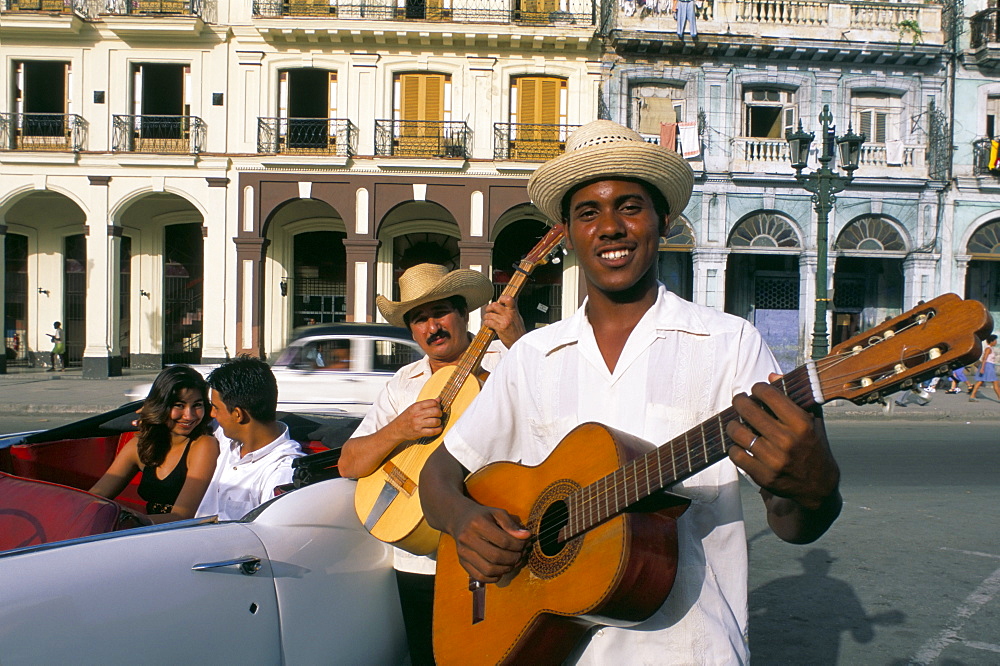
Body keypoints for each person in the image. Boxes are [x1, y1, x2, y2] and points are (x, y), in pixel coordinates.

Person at [420, 120, 842, 663]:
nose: (610, 227)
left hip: (690, 649)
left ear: (663, 222)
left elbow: (793, 524)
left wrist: (814, 487)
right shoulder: (532, 355)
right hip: (547, 647)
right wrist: (462, 520)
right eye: (588, 213)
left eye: (630, 206)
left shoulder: (728, 343)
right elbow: (440, 473)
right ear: (567, 235)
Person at [338, 262, 527, 666]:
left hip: (492, 546)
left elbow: (554, 414)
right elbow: (349, 463)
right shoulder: (404, 381)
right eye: (419, 319)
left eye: (440, 313)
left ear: (464, 314)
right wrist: (400, 429)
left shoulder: (511, 357)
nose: (432, 327)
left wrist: (519, 342)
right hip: (417, 561)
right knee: (428, 657)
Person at [90, 365, 220, 523]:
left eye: (197, 405)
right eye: (179, 405)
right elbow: (95, 496)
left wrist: (126, 521)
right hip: (145, 531)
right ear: (161, 405)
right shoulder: (140, 443)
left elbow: (182, 517)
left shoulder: (204, 445)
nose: (189, 415)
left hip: (181, 535)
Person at [196, 355, 304, 521]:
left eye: (216, 408)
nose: (211, 414)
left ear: (238, 414)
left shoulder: (281, 472)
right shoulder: (229, 441)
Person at [968, 333, 999, 403]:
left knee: (980, 381)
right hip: (988, 366)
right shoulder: (988, 349)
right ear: (992, 341)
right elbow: (984, 358)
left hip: (988, 366)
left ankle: (972, 396)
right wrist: (982, 368)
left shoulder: (989, 348)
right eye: (995, 340)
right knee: (995, 382)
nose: (996, 342)